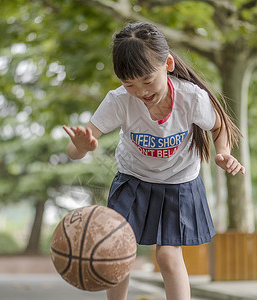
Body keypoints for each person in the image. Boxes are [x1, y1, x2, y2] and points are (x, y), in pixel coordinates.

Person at [63, 22, 245, 300]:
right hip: (134, 179)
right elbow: (74, 150)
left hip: (179, 182)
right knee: (117, 247)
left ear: (167, 64)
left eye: (148, 80)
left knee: (168, 257)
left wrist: (224, 153)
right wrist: (79, 147)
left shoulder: (191, 98)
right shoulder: (119, 101)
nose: (141, 91)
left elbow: (220, 126)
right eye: (129, 84)